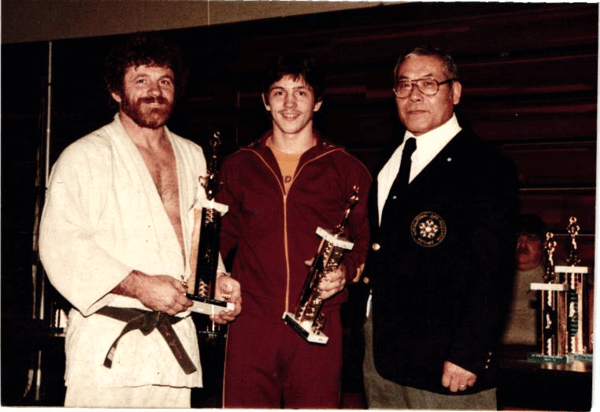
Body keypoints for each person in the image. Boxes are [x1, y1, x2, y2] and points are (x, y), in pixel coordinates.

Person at [39, 33, 241, 408]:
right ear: (117, 91)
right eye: (141, 80)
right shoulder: (83, 156)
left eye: (164, 81)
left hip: (173, 351)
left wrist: (216, 284)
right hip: (108, 347)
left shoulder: (193, 155)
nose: (155, 91)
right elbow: (60, 246)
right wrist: (139, 286)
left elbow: (199, 238)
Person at [363, 45, 518, 409]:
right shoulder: (388, 161)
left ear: (455, 92)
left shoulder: (486, 166)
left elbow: (493, 271)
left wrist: (470, 351)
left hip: (448, 366)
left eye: (429, 83)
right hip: (381, 357)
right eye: (404, 85)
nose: (414, 94)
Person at [216, 52, 372, 408]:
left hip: (319, 325)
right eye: (279, 92)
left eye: (300, 92)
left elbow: (365, 241)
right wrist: (215, 280)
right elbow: (216, 240)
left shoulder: (348, 170)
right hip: (251, 324)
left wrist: (346, 272)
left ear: (318, 102)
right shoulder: (239, 166)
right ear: (265, 101)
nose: (289, 104)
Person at [502, 214, 547, 346]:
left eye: (530, 239)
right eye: (517, 239)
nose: (522, 245)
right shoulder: (493, 274)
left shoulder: (558, 275)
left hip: (541, 354)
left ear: (543, 244)